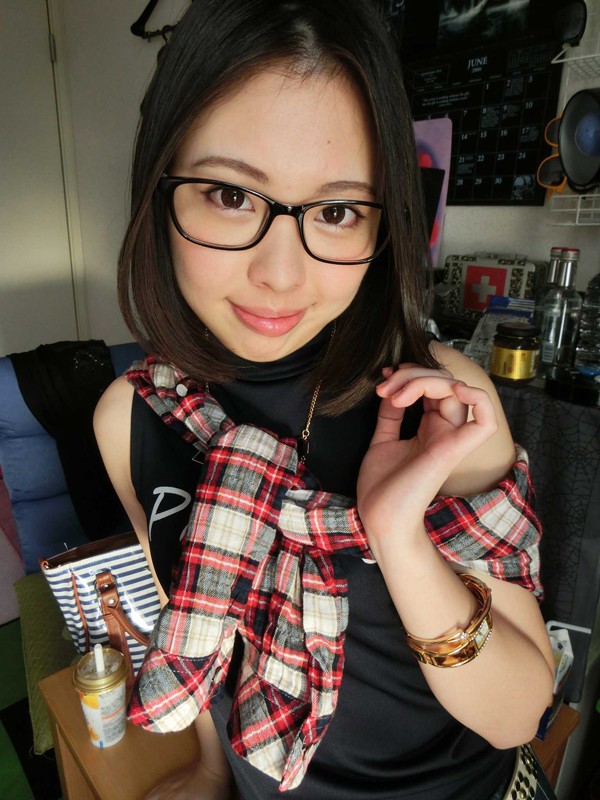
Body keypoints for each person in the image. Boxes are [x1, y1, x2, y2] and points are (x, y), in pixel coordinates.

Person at [94, 1, 555, 798]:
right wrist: (211, 769)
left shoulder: (442, 409)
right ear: (160, 188)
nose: (280, 275)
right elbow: (197, 622)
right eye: (229, 195)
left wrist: (399, 539)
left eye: (337, 212)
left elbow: (519, 714)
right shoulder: (131, 415)